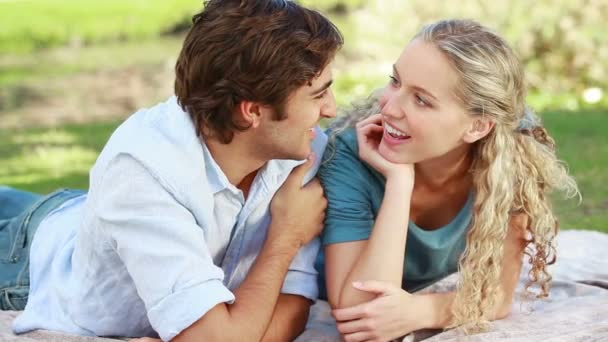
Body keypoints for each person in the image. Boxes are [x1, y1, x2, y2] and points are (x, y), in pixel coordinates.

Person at [0, 1, 343, 341]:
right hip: (27, 264)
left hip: (102, 218)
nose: (331, 109)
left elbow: (292, 307)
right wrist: (285, 237)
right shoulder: (143, 168)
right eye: (318, 95)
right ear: (252, 111)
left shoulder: (301, 150)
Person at [315, 19, 579, 342]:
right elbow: (362, 315)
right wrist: (399, 183)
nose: (390, 107)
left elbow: (497, 295)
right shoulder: (351, 153)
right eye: (395, 82)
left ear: (477, 127)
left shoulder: (509, 159)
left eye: (421, 100)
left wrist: (419, 311)